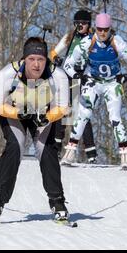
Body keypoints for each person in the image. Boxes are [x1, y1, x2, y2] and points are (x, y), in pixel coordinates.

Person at [0, 37, 71, 224]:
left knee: (45, 149)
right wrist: (17, 113)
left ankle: (57, 201)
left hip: (43, 114)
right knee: (15, 147)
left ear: (46, 60)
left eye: (41, 59)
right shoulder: (8, 74)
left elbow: (64, 108)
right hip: (14, 113)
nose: (36, 64)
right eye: (32, 59)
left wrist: (47, 117)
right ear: (24, 59)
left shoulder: (58, 76)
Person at [61, 13, 127, 169]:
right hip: (93, 82)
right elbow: (67, 64)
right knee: (83, 113)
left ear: (110, 29)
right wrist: (78, 76)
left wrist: (126, 76)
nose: (102, 33)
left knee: (115, 117)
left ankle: (125, 155)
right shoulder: (86, 43)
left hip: (112, 83)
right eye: (99, 29)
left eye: (105, 29)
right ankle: (69, 152)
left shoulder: (118, 43)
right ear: (95, 28)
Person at [50, 9, 97, 163]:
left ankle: (91, 153)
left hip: (83, 77)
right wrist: (56, 59)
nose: (80, 26)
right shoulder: (69, 37)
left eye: (83, 23)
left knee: (82, 114)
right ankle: (56, 149)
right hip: (67, 77)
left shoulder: (93, 39)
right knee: (62, 111)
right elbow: (53, 53)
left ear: (89, 24)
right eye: (77, 23)